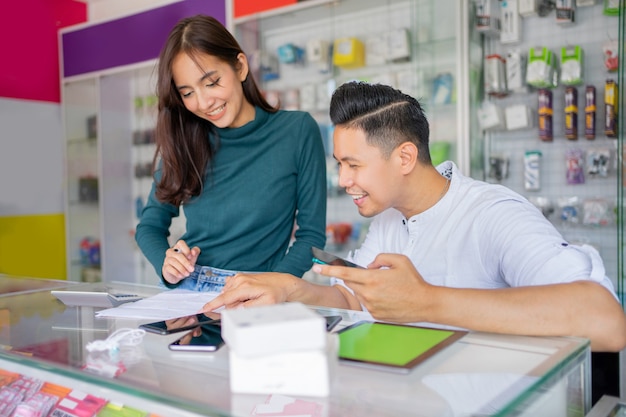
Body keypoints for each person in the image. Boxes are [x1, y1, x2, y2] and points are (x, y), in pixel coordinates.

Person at [202, 81, 626, 352]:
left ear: (405, 156)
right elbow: (354, 300)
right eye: (339, 165)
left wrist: (427, 301)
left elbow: (605, 320)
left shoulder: (493, 214)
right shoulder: (389, 220)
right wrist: (290, 289)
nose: (344, 179)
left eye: (353, 164)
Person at [135, 15, 327, 291]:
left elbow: (311, 237)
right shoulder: (184, 141)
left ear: (239, 66)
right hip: (190, 291)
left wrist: (274, 286)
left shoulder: (296, 130)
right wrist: (168, 265)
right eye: (187, 93)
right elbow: (149, 227)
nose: (203, 103)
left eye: (211, 83)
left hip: (262, 292)